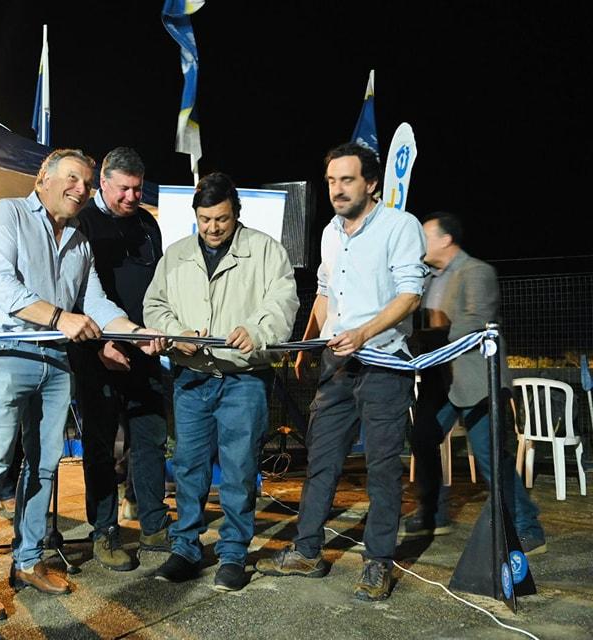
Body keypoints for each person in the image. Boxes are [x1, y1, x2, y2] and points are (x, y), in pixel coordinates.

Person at [0, 149, 165, 621]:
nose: (80, 189)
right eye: (73, 178)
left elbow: (95, 299)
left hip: (54, 362)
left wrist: (132, 332)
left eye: (86, 183)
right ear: (43, 178)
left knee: (45, 467)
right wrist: (59, 317)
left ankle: (28, 561)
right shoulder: (7, 213)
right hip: (6, 356)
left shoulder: (80, 239)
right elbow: (1, 285)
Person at [255, 142, 428, 601]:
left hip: (384, 363)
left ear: (371, 183)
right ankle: (308, 551)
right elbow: (326, 289)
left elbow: (410, 294)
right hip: (336, 363)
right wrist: (309, 340)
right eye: (331, 181)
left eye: (346, 180)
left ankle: (377, 563)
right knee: (322, 460)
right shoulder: (331, 231)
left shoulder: (400, 226)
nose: (336, 189)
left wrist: (365, 333)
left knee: (383, 468)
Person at [144, 171, 299, 591]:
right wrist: (175, 332)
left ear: (237, 214)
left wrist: (257, 329)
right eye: (205, 219)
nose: (213, 228)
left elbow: (283, 300)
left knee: (239, 468)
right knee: (190, 467)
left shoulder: (266, 251)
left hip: (243, 379)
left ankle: (233, 554)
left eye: (222, 219)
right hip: (192, 378)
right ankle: (186, 549)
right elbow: (155, 305)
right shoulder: (175, 255)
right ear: (195, 215)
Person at [406, 212, 546, 553]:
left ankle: (528, 527)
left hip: (476, 380)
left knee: (489, 457)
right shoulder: (428, 278)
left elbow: (476, 320)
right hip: (441, 380)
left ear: (445, 239)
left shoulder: (477, 272)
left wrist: (433, 332)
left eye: (425, 236)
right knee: (422, 435)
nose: (419, 243)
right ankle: (434, 513)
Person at [67, 147, 171, 571]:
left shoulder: (148, 224)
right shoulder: (81, 223)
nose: (131, 196)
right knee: (101, 445)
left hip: (143, 350)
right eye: (123, 189)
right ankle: (105, 530)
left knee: (150, 438)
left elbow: (158, 285)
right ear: (103, 183)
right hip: (97, 351)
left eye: (138, 188)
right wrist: (100, 346)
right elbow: (74, 293)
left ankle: (153, 522)